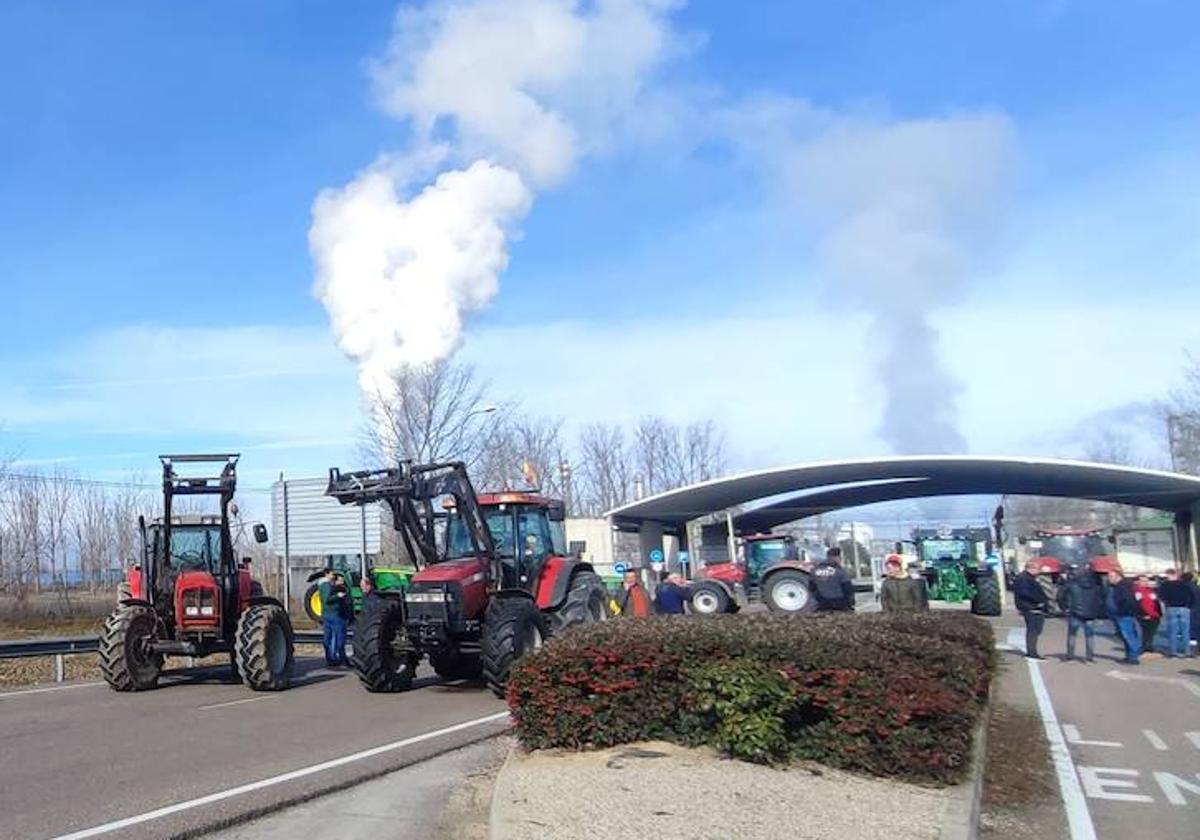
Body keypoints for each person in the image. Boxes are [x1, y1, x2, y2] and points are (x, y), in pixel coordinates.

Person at [1056, 565, 1103, 663]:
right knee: (1090, 636)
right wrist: (1097, 612)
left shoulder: (1071, 584)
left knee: (1072, 635)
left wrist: (1064, 608)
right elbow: (1100, 599)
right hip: (1090, 613)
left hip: (1074, 613)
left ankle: (1070, 657)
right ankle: (1089, 658)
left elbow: (1060, 596)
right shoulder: (1095, 585)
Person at [1012, 559, 1050, 659]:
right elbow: (1025, 593)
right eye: (1038, 569)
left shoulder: (1028, 578)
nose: (1039, 571)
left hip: (1033, 607)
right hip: (1031, 607)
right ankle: (1032, 652)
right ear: (1031, 568)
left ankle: (1032, 651)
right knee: (1033, 630)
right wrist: (1038, 601)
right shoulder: (1024, 579)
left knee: (1036, 630)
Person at [1104, 568, 1141, 665]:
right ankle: (1129, 656)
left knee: (1128, 635)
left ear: (1118, 576)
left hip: (1125, 614)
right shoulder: (1117, 586)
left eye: (1111, 576)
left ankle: (1133, 657)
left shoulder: (1123, 586)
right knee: (1124, 636)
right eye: (1108, 576)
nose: (1109, 578)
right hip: (1120, 614)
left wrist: (1122, 611)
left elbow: (1128, 601)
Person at [1158, 567, 1194, 658]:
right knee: (1185, 631)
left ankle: (1173, 652)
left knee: (1173, 631)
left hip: (1171, 608)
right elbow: (1191, 595)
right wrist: (1189, 605)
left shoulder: (1165, 585)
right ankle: (1187, 652)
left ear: (1168, 575)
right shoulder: (1184, 584)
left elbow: (1161, 596)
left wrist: (1167, 602)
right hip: (1184, 608)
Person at [318, 569, 350, 666]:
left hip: (326, 615)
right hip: (334, 614)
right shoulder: (327, 586)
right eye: (332, 573)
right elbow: (327, 599)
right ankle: (342, 658)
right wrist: (338, 596)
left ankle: (330, 658)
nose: (333, 575)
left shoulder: (321, 586)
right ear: (327, 574)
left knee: (327, 637)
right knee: (340, 637)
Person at [812, 547, 855, 612]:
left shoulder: (814, 571)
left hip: (822, 606)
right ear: (837, 557)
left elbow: (812, 588)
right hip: (840, 606)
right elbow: (848, 589)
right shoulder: (840, 571)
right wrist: (850, 603)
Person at [1133, 574, 1162, 656]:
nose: (1145, 583)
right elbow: (1137, 604)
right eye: (1142, 581)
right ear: (1137, 582)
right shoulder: (1137, 592)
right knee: (1145, 632)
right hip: (1144, 615)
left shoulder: (1151, 591)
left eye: (1146, 581)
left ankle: (1149, 646)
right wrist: (1143, 614)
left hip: (1155, 615)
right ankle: (1145, 648)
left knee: (1152, 632)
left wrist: (1159, 613)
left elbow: (1156, 602)